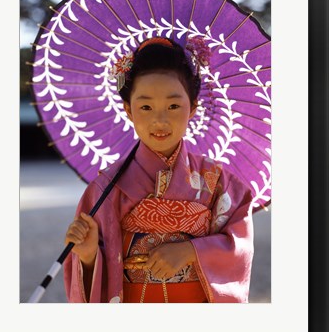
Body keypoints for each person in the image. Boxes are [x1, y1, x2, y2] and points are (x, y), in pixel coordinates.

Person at [64, 36, 254, 303]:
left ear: (193, 107)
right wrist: (87, 256)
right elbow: (92, 274)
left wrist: (190, 251)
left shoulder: (221, 182)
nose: (160, 119)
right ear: (128, 110)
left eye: (174, 105)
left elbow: (240, 247)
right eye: (145, 107)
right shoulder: (105, 187)